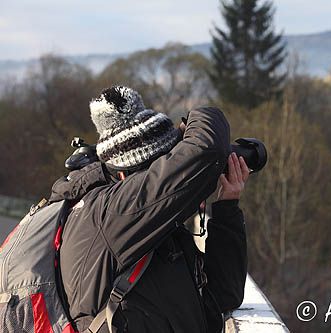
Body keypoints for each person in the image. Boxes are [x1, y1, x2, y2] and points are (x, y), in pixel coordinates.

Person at [51, 86, 249, 332]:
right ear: (126, 173)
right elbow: (208, 148)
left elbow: (223, 295)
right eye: (163, 165)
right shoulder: (113, 213)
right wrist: (194, 117)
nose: (172, 181)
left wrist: (226, 208)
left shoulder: (146, 228)